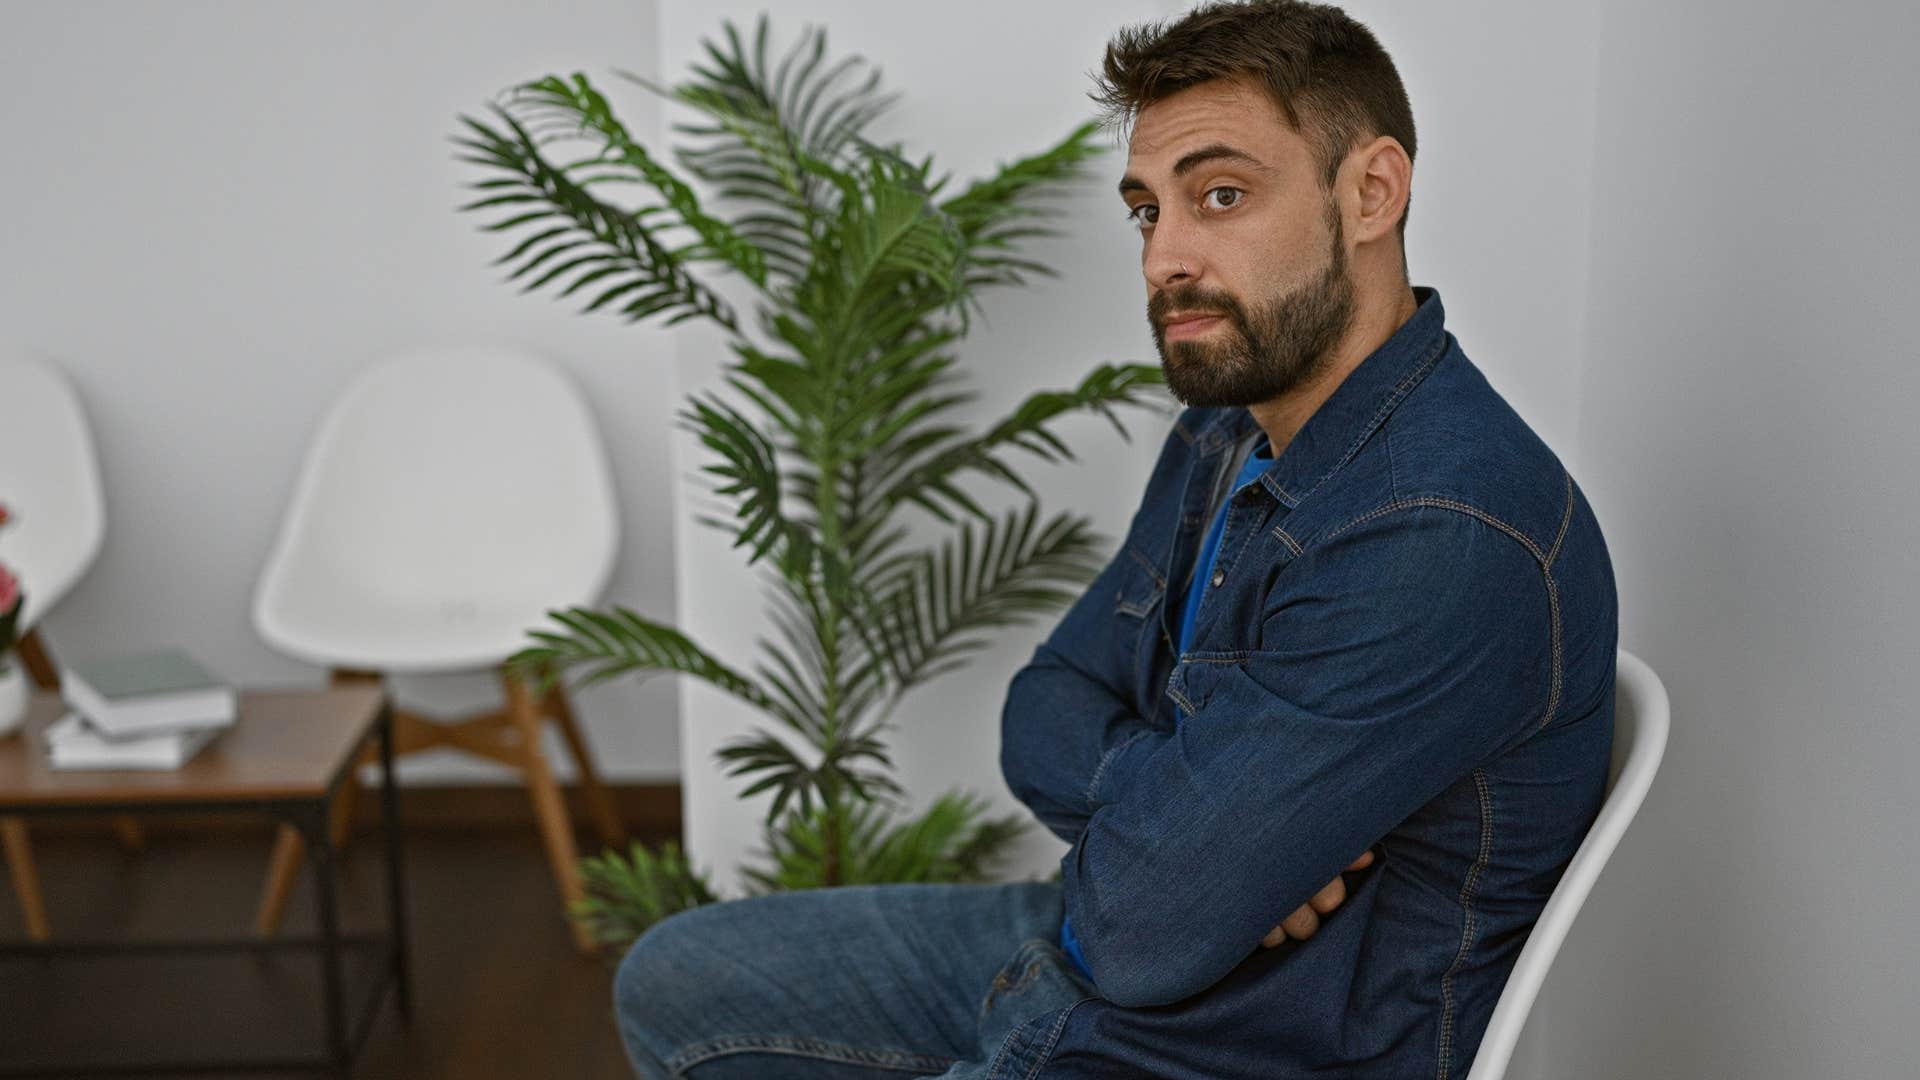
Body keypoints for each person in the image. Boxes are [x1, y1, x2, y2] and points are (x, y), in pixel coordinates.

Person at [613, 1, 1618, 1076]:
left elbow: (1144, 930)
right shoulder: (1227, 432)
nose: (1164, 259)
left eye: (1221, 196)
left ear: (1370, 192)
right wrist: (1189, 829)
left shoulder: (1440, 530)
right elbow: (1044, 703)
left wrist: (1183, 862)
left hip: (1224, 1047)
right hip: (1087, 956)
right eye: (1147, 211)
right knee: (674, 979)